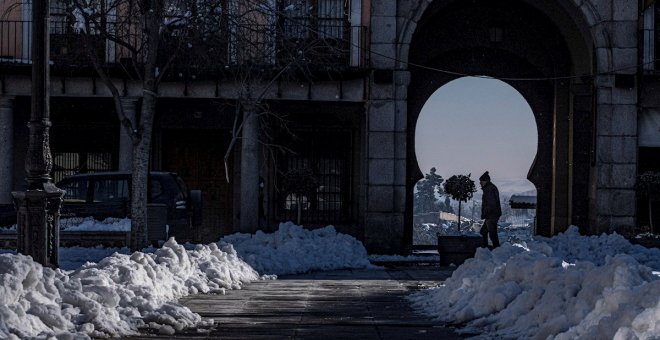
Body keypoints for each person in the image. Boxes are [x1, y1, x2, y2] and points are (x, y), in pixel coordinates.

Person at [479, 171, 501, 248]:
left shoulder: (489, 189)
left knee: (492, 234)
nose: (480, 183)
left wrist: (487, 213)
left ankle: (495, 249)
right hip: (492, 214)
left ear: (485, 181)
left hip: (491, 215)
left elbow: (491, 203)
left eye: (481, 181)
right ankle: (486, 248)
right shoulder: (490, 188)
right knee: (484, 232)